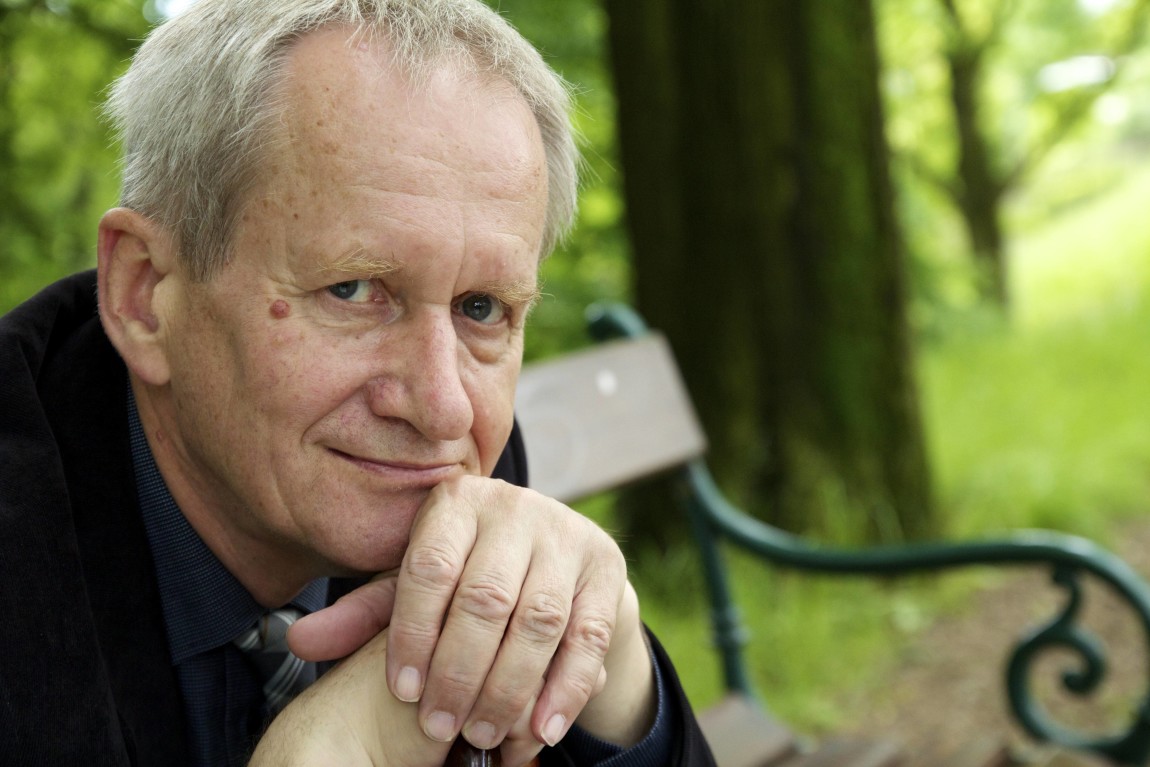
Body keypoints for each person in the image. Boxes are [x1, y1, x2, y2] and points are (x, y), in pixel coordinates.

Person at [0, 1, 716, 765]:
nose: (443, 407)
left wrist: (619, 687)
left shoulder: (464, 503)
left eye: (482, 307)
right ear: (146, 296)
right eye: (354, 290)